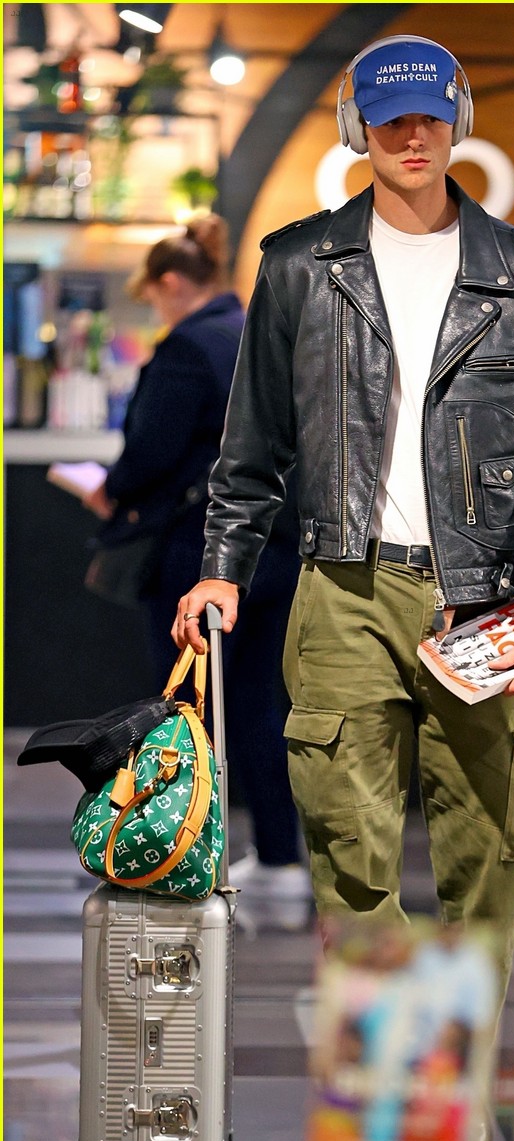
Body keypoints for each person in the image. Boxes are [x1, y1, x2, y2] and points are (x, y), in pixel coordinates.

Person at [174, 37, 514, 993]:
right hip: (343, 595)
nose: (412, 135)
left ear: (458, 119)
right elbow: (251, 448)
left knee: (490, 875)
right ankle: (385, 1124)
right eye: (389, 116)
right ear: (354, 125)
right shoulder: (298, 267)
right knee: (349, 870)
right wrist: (222, 564)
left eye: (428, 115)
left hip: (490, 608)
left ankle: (460, 1126)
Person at [83, 215, 310, 929]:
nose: (156, 307)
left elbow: (151, 448)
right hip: (275, 545)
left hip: (199, 550)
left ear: (173, 284)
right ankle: (278, 858)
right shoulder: (258, 330)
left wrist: (110, 490)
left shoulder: (188, 347)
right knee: (256, 706)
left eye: (153, 295)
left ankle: (184, 852)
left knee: (186, 713)